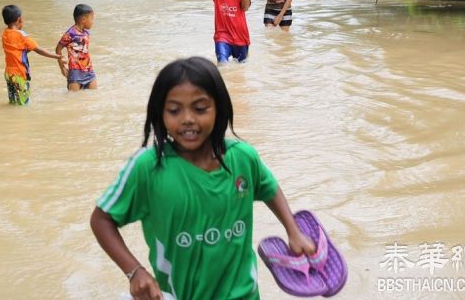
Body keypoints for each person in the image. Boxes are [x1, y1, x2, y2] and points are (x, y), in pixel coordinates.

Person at [90, 57, 315, 300]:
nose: (187, 119)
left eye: (200, 108)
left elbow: (268, 187)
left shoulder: (243, 158)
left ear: (219, 108)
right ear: (160, 113)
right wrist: (134, 272)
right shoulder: (148, 167)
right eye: (174, 110)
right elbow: (102, 220)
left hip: (245, 294)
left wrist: (293, 230)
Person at [1, 5, 65, 105]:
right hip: (19, 74)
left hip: (9, 74)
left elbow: (17, 50)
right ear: (19, 19)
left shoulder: (5, 33)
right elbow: (39, 50)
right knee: (23, 104)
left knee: (13, 102)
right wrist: (58, 56)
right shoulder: (22, 36)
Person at [57, 4, 97, 91]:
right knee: (73, 100)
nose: (93, 21)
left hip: (89, 70)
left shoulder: (86, 33)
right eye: (92, 19)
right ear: (83, 20)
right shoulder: (70, 34)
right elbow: (58, 49)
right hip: (75, 72)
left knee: (93, 98)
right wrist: (62, 68)